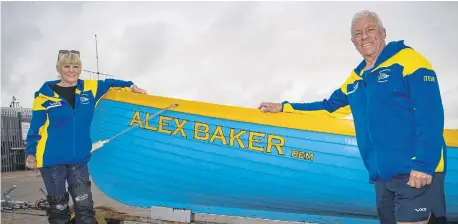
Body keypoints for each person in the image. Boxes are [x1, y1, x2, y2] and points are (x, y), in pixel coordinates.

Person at [258, 10, 447, 224]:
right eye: (358, 33)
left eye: (370, 30)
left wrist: (424, 163)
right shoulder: (356, 78)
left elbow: (430, 113)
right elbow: (328, 106)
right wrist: (284, 108)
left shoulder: (409, 60)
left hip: (414, 171)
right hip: (382, 177)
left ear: (383, 33)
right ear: (353, 42)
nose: (364, 36)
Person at [24, 50, 147, 224]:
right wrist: (31, 154)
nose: (71, 70)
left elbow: (111, 83)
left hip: (78, 159)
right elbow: (35, 127)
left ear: (80, 69)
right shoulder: (44, 95)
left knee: (85, 208)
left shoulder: (89, 88)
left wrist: (132, 86)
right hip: (51, 160)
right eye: (66, 66)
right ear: (59, 68)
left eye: (76, 66)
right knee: (59, 209)